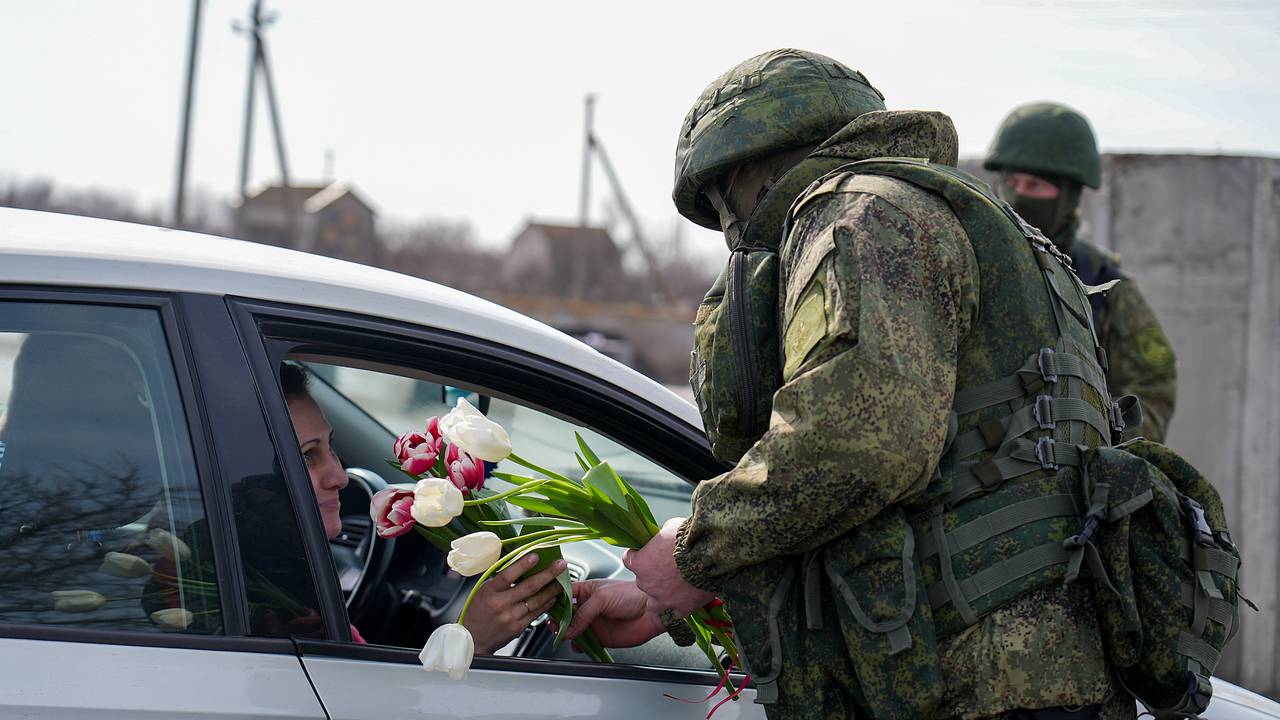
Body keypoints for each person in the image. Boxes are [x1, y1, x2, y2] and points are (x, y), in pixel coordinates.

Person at [567, 49, 1132, 719]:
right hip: (1024, 672)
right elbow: (950, 467)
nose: (733, 230)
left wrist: (696, 550)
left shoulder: (862, 215)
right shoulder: (941, 214)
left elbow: (860, 442)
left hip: (983, 683)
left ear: (754, 164)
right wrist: (676, 595)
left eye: (724, 200)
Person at [279, 363, 563, 653]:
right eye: (306, 456)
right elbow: (360, 697)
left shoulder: (285, 584)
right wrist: (470, 644)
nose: (340, 477)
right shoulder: (265, 609)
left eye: (331, 446)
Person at [984, 102, 1177, 441]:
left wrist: (1106, 444)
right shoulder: (975, 263)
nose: (1018, 195)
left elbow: (1154, 381)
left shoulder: (1101, 281)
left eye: (1035, 185)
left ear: (1069, 195)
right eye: (1012, 182)